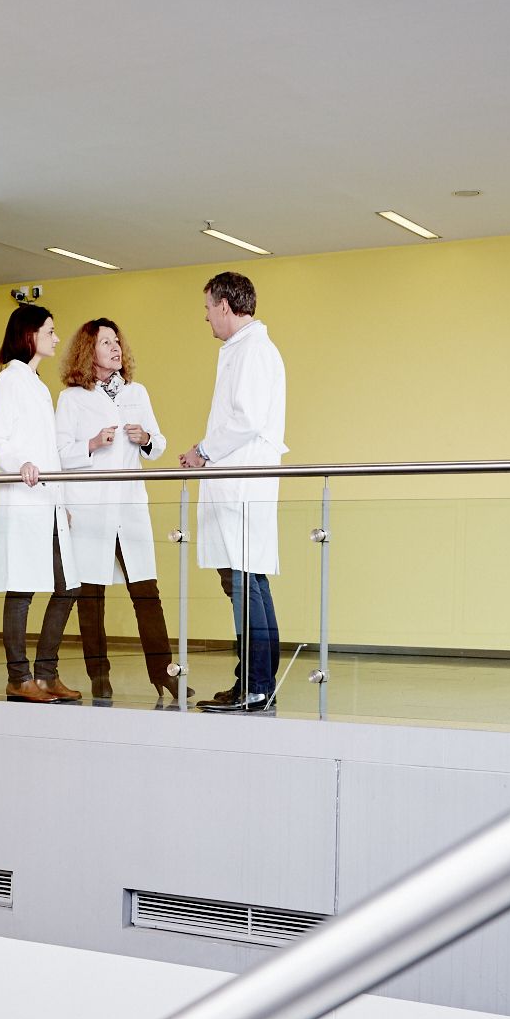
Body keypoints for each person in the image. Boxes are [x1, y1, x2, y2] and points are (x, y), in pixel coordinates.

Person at [55, 318, 187, 704]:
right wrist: (92, 443)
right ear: (88, 351)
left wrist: (145, 438)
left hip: (129, 507)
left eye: (117, 341)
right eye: (106, 343)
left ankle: (164, 675)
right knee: (91, 596)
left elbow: (158, 443)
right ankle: (99, 677)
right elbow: (59, 454)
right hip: (90, 509)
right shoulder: (71, 398)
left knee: (146, 591)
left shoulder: (136, 392)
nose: (115, 348)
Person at [180, 272, 287, 712]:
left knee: (245, 582)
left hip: (242, 482)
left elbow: (246, 419)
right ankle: (256, 682)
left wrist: (203, 451)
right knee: (250, 580)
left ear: (224, 305)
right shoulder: (247, 349)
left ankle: (256, 685)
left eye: (208, 308)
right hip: (240, 482)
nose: (206, 317)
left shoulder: (252, 351)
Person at [0, 304, 83, 702]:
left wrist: (62, 500)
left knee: (67, 586)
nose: (56, 338)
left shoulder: (38, 385)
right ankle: (18, 678)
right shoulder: (9, 381)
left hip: (47, 501)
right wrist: (18, 462)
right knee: (22, 589)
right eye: (50, 331)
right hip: (22, 499)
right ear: (30, 335)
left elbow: (50, 452)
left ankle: (45, 674)